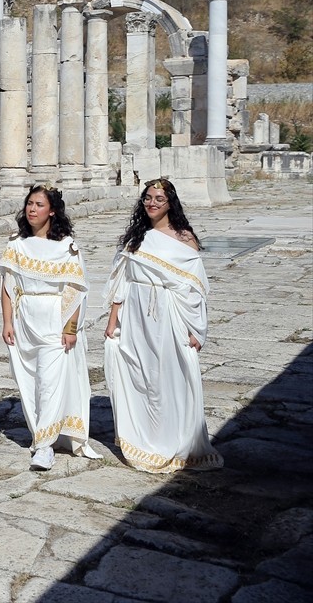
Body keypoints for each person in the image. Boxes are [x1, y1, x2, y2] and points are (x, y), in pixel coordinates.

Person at [103, 178, 222, 473]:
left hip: (169, 314)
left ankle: (174, 440)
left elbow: (195, 289)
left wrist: (196, 329)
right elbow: (122, 278)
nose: (152, 203)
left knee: (169, 376)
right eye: (147, 198)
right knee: (140, 375)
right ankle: (144, 440)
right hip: (135, 313)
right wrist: (113, 318)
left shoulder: (184, 238)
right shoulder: (137, 236)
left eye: (159, 198)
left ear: (171, 203)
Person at [0, 184, 101, 471]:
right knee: (30, 381)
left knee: (50, 382)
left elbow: (75, 289)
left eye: (39, 205)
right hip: (25, 319)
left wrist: (70, 328)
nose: (32, 209)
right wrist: (7, 321)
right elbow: (8, 286)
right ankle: (41, 433)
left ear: (52, 211)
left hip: (54, 318)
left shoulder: (66, 247)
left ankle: (43, 447)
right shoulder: (16, 244)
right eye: (29, 203)